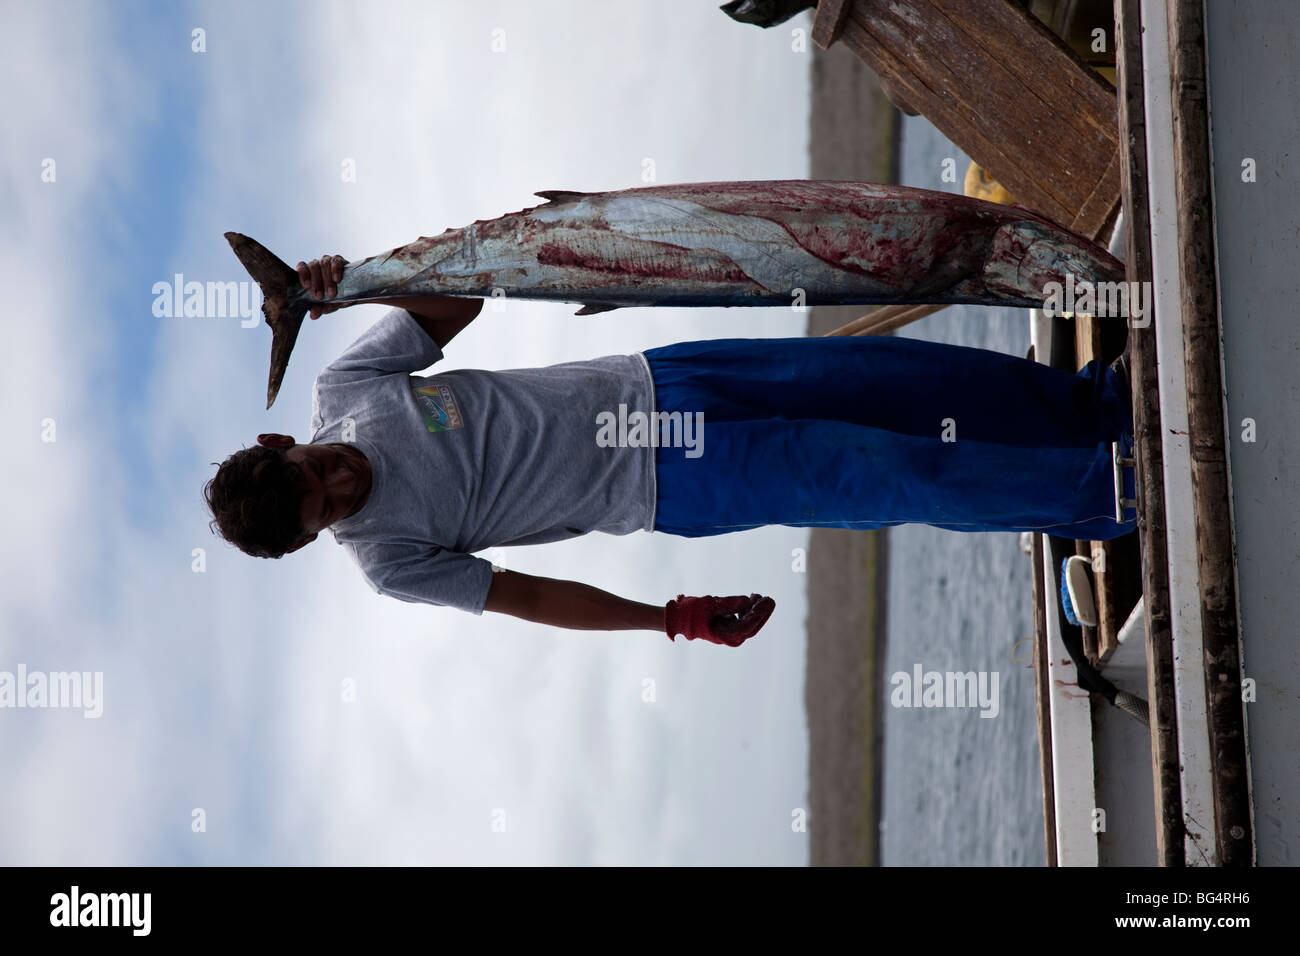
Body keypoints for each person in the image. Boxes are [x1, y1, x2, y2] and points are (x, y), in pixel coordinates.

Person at [204, 255, 1135, 648]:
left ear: (284, 441)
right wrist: (672, 619)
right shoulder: (390, 560)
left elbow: (459, 304)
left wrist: (351, 286)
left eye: (314, 470)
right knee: (886, 470)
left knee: (901, 381)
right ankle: (1114, 491)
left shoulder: (345, 392)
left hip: (664, 377)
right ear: (321, 534)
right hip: (670, 480)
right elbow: (532, 597)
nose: (341, 481)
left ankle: (1091, 406)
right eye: (329, 505)